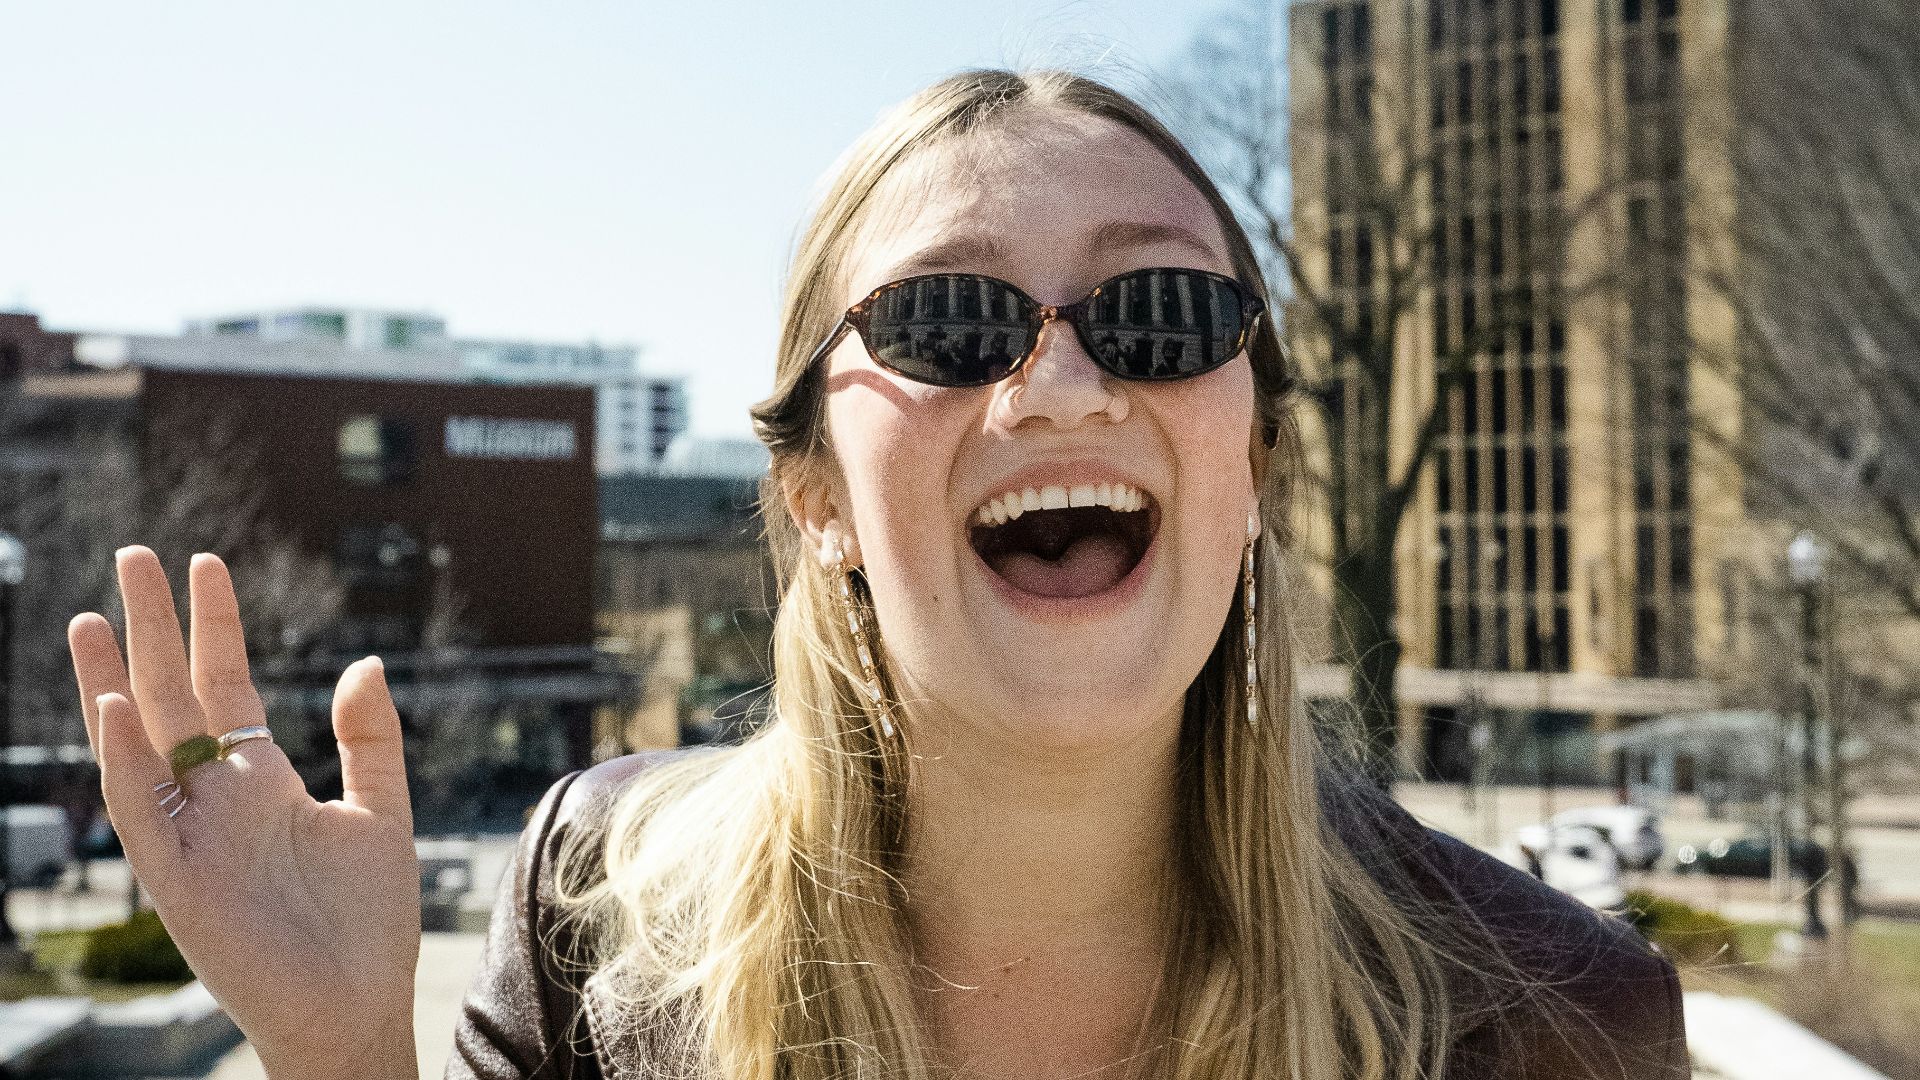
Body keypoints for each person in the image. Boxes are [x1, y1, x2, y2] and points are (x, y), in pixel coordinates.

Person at [65, 69, 1684, 1080]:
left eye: (1164, 315)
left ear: (1254, 465)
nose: (1057, 388)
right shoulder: (591, 918)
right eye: (949, 325)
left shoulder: (1560, 1020)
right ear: (815, 491)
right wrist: (340, 1058)